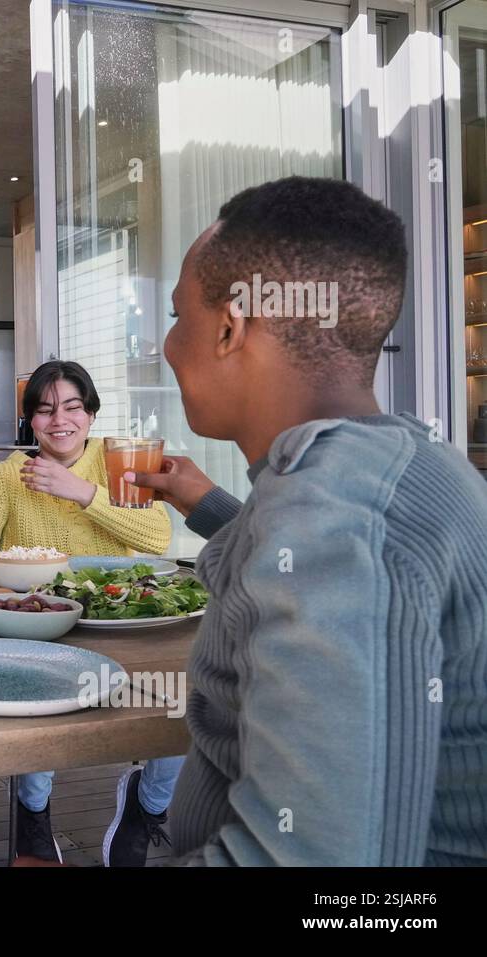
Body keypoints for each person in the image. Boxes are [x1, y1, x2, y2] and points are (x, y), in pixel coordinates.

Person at [131, 176, 487, 864]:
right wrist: (210, 507)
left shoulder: (335, 514)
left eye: (179, 319)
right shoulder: (400, 465)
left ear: (232, 327)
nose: (169, 347)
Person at [0, 358, 180, 865]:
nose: (60, 420)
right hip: (44, 631)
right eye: (44, 410)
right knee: (34, 696)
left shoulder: (119, 460)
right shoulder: (7, 478)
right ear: (30, 422)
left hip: (124, 623)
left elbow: (158, 537)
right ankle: (33, 811)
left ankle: (147, 808)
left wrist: (82, 494)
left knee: (187, 702)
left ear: (92, 413)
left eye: (73, 407)